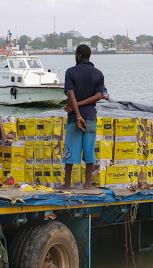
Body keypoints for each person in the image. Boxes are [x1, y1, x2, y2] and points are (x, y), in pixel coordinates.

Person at [58, 44, 105, 190]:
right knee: (89, 150)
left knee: (70, 150)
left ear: (78, 55)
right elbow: (98, 96)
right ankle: (87, 184)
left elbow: (70, 94)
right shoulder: (98, 74)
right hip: (90, 117)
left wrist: (77, 113)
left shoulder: (71, 72)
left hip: (74, 119)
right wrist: (80, 109)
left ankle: (67, 184)